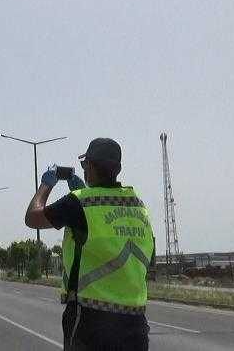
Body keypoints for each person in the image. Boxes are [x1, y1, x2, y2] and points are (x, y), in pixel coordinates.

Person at [24, 138, 154, 351]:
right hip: (135, 323)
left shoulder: (79, 202)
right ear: (118, 169)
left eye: (85, 165)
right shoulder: (138, 206)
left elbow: (32, 218)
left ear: (90, 166)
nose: (84, 170)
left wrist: (46, 184)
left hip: (91, 319)